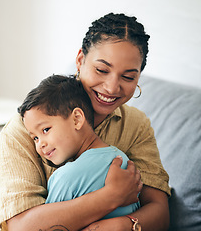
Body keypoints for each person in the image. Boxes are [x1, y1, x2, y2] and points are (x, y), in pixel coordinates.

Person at [0, 13, 170, 231]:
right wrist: (110, 197)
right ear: (80, 60)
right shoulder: (23, 130)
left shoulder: (135, 125)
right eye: (102, 70)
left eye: (128, 77)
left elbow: (160, 212)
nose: (112, 87)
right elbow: (20, 228)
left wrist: (122, 226)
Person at [17, 74, 140, 219]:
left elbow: (49, 225)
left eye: (45, 130)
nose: (41, 144)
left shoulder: (65, 178)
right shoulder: (123, 162)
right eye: (35, 138)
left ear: (77, 119)